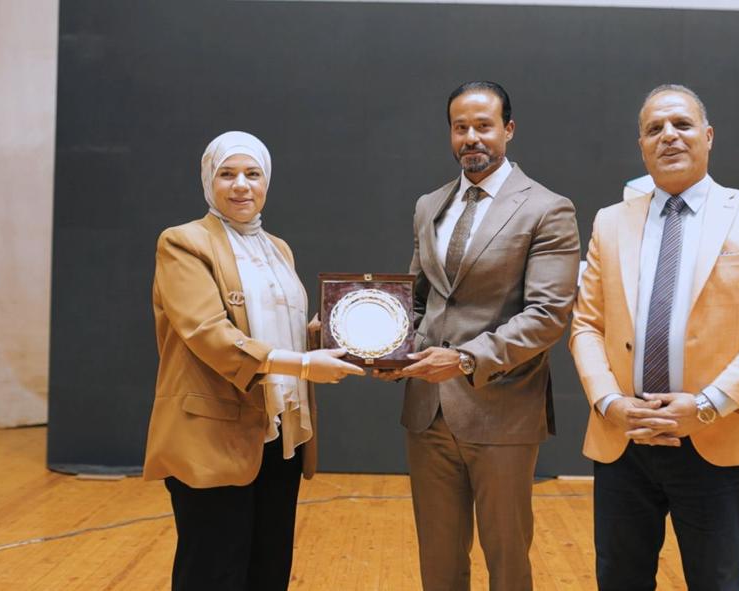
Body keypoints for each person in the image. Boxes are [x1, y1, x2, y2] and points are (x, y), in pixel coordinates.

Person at [569, 84, 739, 591]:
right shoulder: (610, 222)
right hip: (624, 438)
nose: (668, 136)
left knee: (716, 581)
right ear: (641, 145)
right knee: (619, 580)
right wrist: (610, 402)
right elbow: (586, 325)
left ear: (708, 136)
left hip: (714, 435)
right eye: (654, 129)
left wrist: (706, 406)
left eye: (682, 124)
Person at [375, 81, 580, 590]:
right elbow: (418, 301)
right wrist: (386, 348)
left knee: (507, 562)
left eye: (483, 126)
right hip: (427, 411)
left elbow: (548, 315)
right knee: (439, 562)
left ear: (508, 129)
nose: (471, 138)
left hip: (502, 410)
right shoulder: (429, 205)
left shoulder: (547, 208)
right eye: (460, 127)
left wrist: (465, 359)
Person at [142, 131, 364, 590]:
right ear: (209, 180)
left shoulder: (277, 248)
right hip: (213, 435)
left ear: (267, 181)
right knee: (213, 574)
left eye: (252, 173)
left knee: (268, 571)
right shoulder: (183, 242)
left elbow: (270, 329)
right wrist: (305, 365)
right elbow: (209, 335)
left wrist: (323, 335)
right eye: (227, 173)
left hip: (280, 434)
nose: (241, 184)